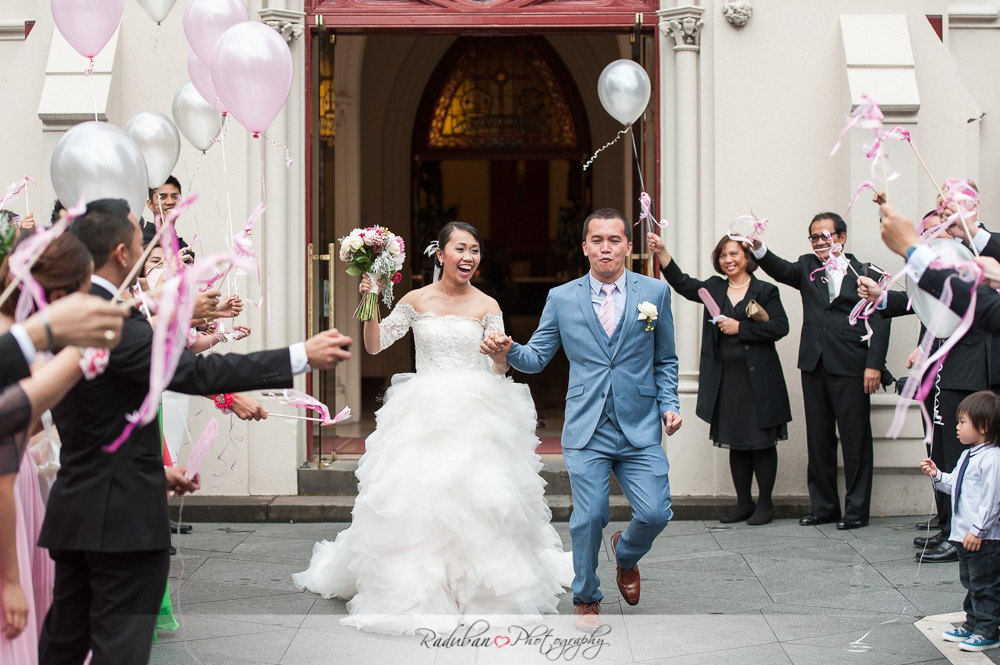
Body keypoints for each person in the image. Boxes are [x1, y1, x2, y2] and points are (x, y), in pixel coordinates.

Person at [38, 199, 353, 665]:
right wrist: (299, 355)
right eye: (141, 238)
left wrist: (154, 470)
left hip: (77, 509)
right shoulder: (116, 324)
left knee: (63, 647)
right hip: (122, 521)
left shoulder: (63, 314)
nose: (149, 243)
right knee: (119, 651)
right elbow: (197, 375)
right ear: (123, 254)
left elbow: (96, 417)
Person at [293, 222, 572, 636]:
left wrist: (499, 356)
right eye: (460, 248)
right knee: (417, 500)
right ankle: (418, 586)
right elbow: (374, 345)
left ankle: (482, 586)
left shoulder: (487, 304)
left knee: (478, 499)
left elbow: (498, 366)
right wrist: (369, 297)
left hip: (476, 410)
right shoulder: (414, 299)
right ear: (439, 253)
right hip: (422, 410)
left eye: (475, 250)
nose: (469, 258)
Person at [482, 208, 680, 632]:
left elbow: (665, 359)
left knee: (656, 513)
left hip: (641, 423)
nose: (605, 247)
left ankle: (625, 555)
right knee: (587, 517)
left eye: (614, 240)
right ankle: (587, 596)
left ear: (628, 245)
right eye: (597, 240)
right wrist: (507, 349)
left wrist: (669, 404)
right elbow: (535, 359)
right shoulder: (562, 297)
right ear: (585, 246)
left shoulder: (655, 293)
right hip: (586, 426)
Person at [750, 212, 889, 530]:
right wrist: (759, 248)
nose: (818, 242)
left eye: (824, 236)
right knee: (819, 439)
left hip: (853, 365)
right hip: (814, 363)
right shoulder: (806, 266)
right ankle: (824, 506)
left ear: (841, 237)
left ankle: (856, 510)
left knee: (855, 441)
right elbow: (780, 269)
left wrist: (874, 365)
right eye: (813, 237)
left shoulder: (867, 272)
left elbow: (881, 320)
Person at [649, 232, 791, 525]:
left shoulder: (766, 290)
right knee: (736, 441)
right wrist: (662, 252)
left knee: (763, 443)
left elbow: (781, 327)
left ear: (747, 258)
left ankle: (765, 505)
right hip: (726, 379)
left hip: (761, 380)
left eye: (735, 254)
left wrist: (741, 328)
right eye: (723, 255)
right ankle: (743, 504)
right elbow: (685, 284)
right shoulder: (713, 288)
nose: (728, 260)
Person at [0, 231, 95, 663]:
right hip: (9, 489)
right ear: (59, 292)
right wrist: (10, 580)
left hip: (24, 483)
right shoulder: (16, 346)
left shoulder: (21, 339)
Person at [920, 391, 1000, 653]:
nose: (957, 427)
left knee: (984, 584)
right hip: (965, 535)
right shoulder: (968, 455)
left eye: (963, 422)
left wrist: (978, 530)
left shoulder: (992, 459)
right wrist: (937, 475)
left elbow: (993, 501)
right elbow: (955, 484)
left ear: (984, 426)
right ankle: (973, 622)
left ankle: (988, 630)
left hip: (983, 538)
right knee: (971, 582)